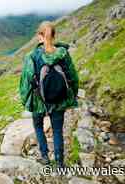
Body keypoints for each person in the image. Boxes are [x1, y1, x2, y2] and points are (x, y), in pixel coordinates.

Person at [19, 21, 79, 168]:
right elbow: (73, 78)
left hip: (39, 100)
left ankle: (45, 157)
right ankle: (60, 163)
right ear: (53, 36)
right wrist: (72, 96)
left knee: (38, 126)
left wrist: (26, 100)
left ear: (40, 36)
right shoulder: (63, 54)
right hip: (60, 99)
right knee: (58, 130)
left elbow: (26, 81)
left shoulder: (32, 56)